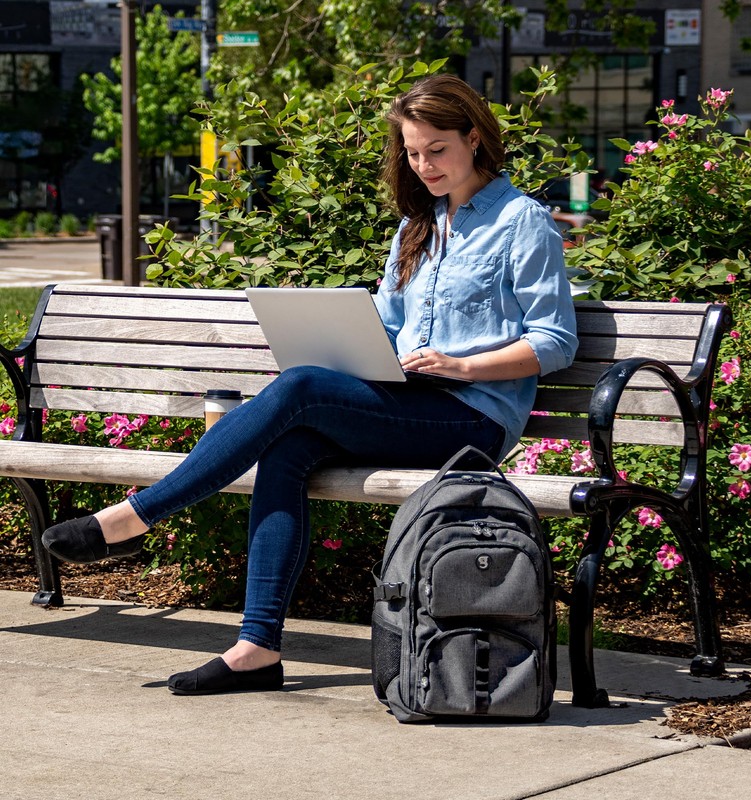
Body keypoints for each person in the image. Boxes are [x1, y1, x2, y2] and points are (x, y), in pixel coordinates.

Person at [42, 74, 578, 696]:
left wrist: (463, 365)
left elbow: (554, 341)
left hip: (471, 417)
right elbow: (390, 323)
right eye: (412, 152)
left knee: (298, 389)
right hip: (406, 401)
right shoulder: (417, 228)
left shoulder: (522, 223)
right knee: (289, 450)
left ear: (475, 139)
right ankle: (257, 648)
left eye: (438, 148)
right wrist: (359, 345)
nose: (424, 164)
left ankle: (135, 517)